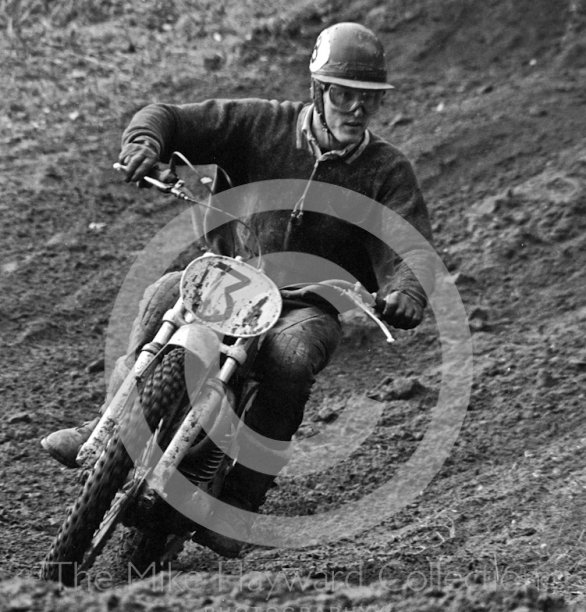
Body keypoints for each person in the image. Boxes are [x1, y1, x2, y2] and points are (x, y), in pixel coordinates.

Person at [41, 22, 436, 557]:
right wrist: (145, 141)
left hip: (307, 303)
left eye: (368, 99)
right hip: (230, 273)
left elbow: (409, 249)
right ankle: (107, 427)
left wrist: (407, 293)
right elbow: (171, 119)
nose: (356, 109)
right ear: (318, 91)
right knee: (161, 294)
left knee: (292, 358)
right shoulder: (259, 123)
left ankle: (243, 499)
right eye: (344, 95)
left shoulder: (388, 171)